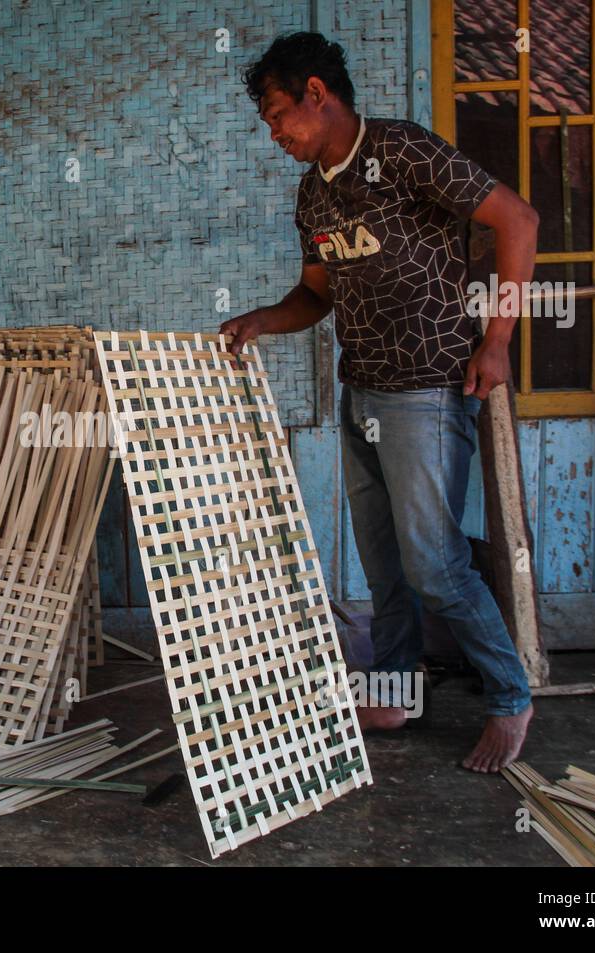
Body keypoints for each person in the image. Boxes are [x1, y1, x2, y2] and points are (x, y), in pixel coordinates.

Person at [221, 32, 539, 773]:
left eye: (278, 116)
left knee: (434, 564)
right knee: (385, 564)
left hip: (428, 388)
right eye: (267, 124)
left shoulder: (402, 151)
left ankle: (510, 697)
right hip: (360, 387)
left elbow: (517, 220)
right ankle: (397, 694)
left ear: (317, 94)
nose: (275, 134)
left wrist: (498, 340)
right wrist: (262, 320)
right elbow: (314, 296)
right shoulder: (315, 192)